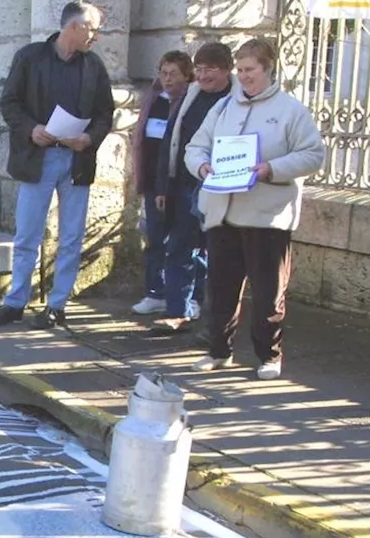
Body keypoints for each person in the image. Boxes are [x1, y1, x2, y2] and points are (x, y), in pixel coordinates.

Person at [185, 38, 325, 379]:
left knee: (267, 292)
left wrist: (269, 168)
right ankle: (219, 351)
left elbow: (312, 154)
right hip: (223, 212)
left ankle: (269, 355)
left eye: (251, 70)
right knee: (220, 288)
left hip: (267, 216)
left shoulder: (290, 110)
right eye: (241, 70)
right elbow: (195, 147)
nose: (244, 77)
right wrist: (203, 168)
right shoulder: (222, 108)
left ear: (268, 69)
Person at [0, 0, 116, 329]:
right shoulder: (30, 57)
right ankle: (15, 302)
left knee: (71, 236)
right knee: (27, 234)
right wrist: (32, 129)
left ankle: (57, 306)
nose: (96, 37)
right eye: (93, 30)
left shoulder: (94, 66)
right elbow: (9, 102)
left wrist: (89, 138)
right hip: (38, 157)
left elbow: (105, 113)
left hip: (76, 159)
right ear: (74, 26)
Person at [151, 43, 234, 333]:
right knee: (179, 248)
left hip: (220, 186)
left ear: (227, 70)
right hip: (185, 184)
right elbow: (171, 142)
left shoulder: (236, 100)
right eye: (199, 69)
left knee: (215, 254)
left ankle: (212, 314)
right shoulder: (191, 96)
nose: (203, 75)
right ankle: (178, 310)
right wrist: (162, 187)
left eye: (210, 69)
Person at [131, 51, 194, 317]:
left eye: (173, 74)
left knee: (184, 243)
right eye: (163, 73)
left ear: (186, 76)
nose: (167, 80)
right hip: (154, 180)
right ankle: (154, 292)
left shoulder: (190, 102)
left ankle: (187, 299)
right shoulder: (154, 100)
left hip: (180, 180)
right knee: (155, 238)